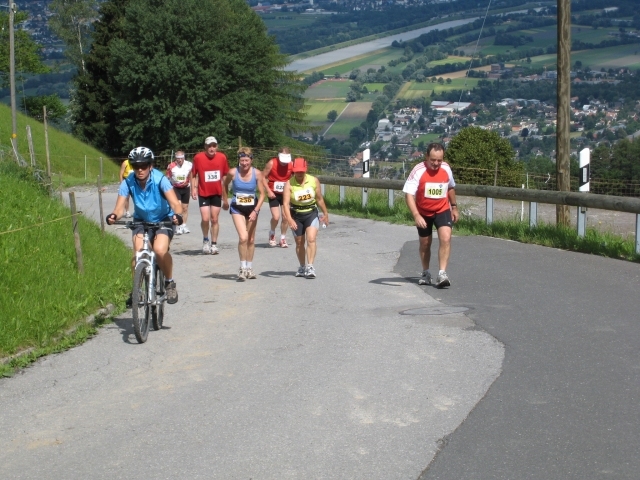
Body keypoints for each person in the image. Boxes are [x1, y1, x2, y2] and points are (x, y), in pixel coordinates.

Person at [106, 147, 183, 304]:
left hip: (163, 219)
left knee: (160, 250)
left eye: (143, 165)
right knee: (138, 253)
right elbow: (119, 208)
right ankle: (137, 290)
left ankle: (169, 282)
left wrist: (177, 215)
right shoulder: (128, 182)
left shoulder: (160, 179)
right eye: (136, 166)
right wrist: (114, 216)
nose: (139, 169)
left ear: (150, 165)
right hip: (140, 220)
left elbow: (175, 203)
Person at [403, 142, 458, 289]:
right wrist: (416, 215)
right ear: (427, 156)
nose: (436, 163)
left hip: (442, 209)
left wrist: (454, 207)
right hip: (423, 212)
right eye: (433, 160)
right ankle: (426, 273)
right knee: (425, 244)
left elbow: (450, 187)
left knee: (446, 238)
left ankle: (442, 274)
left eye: (439, 160)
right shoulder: (418, 170)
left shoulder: (446, 168)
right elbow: (408, 195)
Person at [222, 147, 266, 281]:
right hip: (237, 207)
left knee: (251, 239)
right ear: (239, 160)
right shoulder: (233, 172)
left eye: (247, 160)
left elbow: (262, 195)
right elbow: (224, 184)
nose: (244, 163)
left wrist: (256, 211)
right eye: (242, 161)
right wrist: (225, 200)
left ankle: (249, 268)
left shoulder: (257, 174)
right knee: (243, 237)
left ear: (251, 160)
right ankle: (242, 268)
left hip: (252, 208)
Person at [282, 157, 329, 279]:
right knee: (299, 242)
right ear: (293, 170)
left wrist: (325, 213)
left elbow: (319, 198)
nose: (299, 173)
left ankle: (310, 266)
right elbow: (285, 204)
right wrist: (290, 219)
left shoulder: (313, 181)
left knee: (311, 239)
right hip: (296, 215)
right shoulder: (289, 184)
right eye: (297, 171)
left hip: (311, 213)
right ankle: (302, 266)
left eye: (301, 171)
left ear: (305, 169)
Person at [191, 136, 229, 254]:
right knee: (205, 218)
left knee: (215, 219)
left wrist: (225, 195)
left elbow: (225, 176)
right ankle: (205, 239)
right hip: (203, 192)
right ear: (205, 147)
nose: (211, 148)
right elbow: (193, 174)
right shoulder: (198, 157)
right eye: (209, 146)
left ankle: (214, 244)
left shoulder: (222, 157)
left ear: (217, 147)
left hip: (216, 192)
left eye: (214, 146)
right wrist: (193, 188)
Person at [262, 147, 293, 247]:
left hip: (286, 193)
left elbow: (295, 177)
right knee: (276, 217)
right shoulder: (272, 163)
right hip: (273, 193)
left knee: (286, 217)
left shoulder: (291, 164)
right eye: (282, 161)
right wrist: (268, 190)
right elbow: (263, 177)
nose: (284, 163)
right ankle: (272, 233)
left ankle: (283, 238)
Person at [166, 150, 193, 234]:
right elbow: (167, 177)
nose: (180, 160)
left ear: (184, 157)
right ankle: (178, 226)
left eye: (181, 158)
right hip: (175, 188)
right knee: (178, 207)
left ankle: (184, 225)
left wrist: (193, 188)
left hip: (186, 188)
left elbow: (192, 176)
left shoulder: (189, 165)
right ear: (175, 158)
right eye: (178, 158)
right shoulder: (171, 166)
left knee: (185, 208)